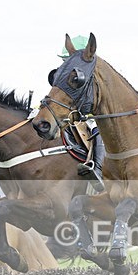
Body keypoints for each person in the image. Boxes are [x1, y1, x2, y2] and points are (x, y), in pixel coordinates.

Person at [59, 35, 106, 191]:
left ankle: (97, 170)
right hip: (73, 116)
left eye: (67, 59)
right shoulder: (64, 75)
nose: (65, 63)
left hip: (92, 116)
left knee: (95, 128)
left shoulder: (93, 72)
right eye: (64, 60)